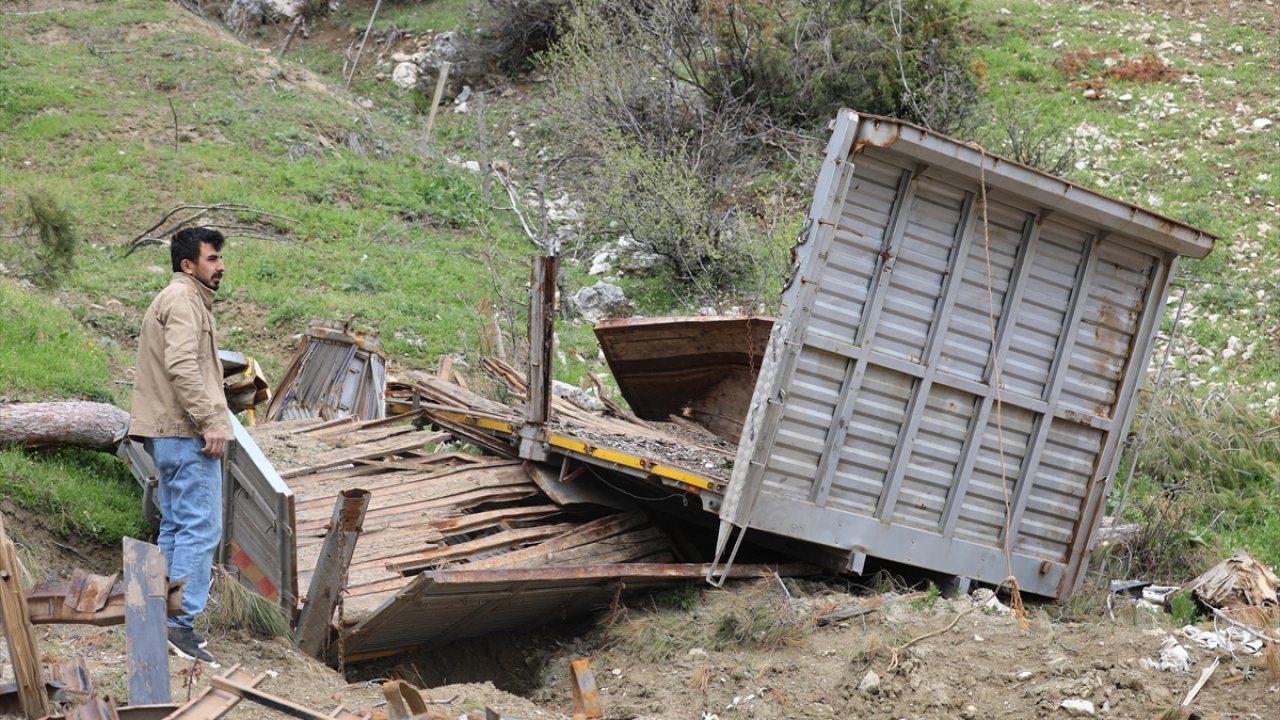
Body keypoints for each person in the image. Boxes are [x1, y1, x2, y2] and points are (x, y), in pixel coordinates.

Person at [129, 226, 230, 665]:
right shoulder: (185, 300)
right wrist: (210, 421)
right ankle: (179, 622)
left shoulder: (178, 298)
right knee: (200, 526)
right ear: (188, 265)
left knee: (174, 525)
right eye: (212, 259)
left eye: (220, 258)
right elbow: (182, 365)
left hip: (166, 432)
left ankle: (160, 617)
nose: (221, 266)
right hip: (185, 433)